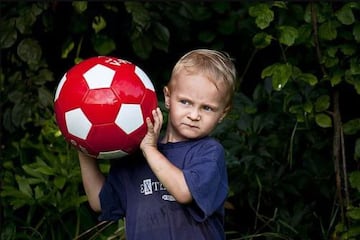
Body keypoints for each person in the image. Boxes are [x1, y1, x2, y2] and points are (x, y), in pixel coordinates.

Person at [78, 49, 237, 240]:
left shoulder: (208, 152)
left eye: (207, 108)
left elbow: (184, 192)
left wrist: (150, 150)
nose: (194, 115)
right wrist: (83, 147)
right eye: (185, 102)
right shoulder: (134, 156)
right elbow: (99, 202)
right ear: (168, 97)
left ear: (223, 113)